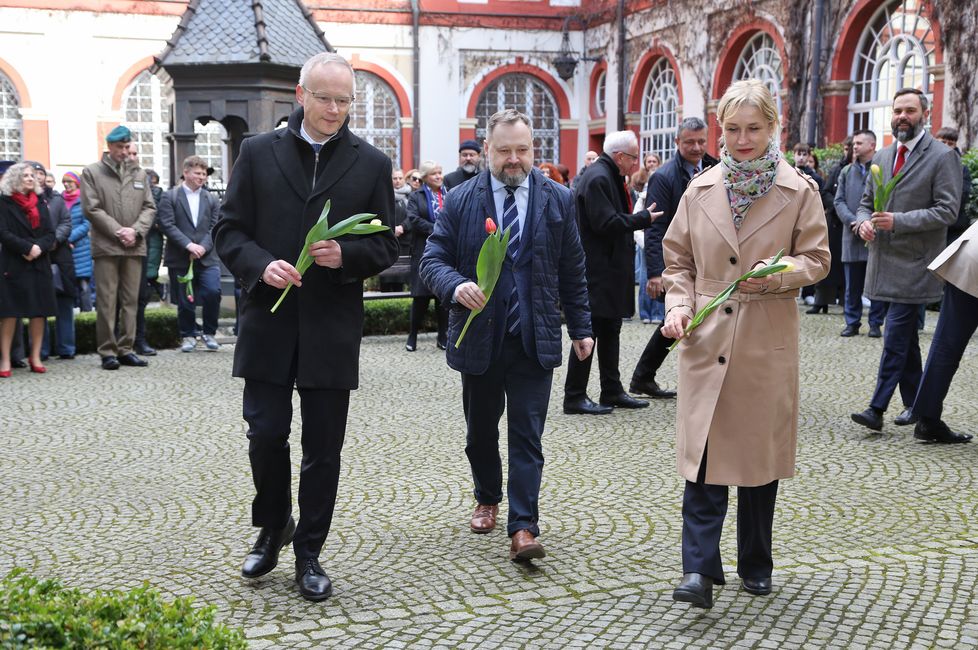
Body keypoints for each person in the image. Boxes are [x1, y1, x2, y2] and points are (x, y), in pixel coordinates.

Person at [213, 52, 398, 602]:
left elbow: (387, 243)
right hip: (268, 323)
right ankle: (273, 526)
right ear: (301, 95)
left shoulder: (371, 164)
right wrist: (258, 265)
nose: (335, 110)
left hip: (330, 327)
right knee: (265, 434)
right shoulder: (256, 152)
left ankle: (310, 550)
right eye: (325, 98)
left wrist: (348, 256)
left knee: (324, 447)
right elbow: (229, 229)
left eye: (344, 101)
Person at [663, 79, 830, 609]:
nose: (741, 139)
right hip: (707, 337)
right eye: (732, 129)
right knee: (705, 459)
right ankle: (699, 570)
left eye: (753, 128)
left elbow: (818, 259)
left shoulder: (799, 190)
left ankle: (756, 561)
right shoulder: (700, 189)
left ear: (773, 128)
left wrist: (780, 274)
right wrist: (678, 305)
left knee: (757, 463)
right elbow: (678, 263)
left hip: (763, 338)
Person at [419, 108, 593, 561]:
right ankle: (486, 495)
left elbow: (572, 268)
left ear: (534, 149)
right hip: (481, 337)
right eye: (504, 151)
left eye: (523, 150)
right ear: (487, 150)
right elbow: (431, 261)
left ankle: (523, 526)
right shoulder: (460, 200)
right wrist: (456, 286)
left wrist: (581, 327)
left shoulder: (558, 198)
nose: (514, 159)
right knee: (480, 433)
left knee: (527, 434)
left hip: (533, 335)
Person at [850, 88, 962, 433]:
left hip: (916, 265)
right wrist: (863, 223)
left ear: (924, 114)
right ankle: (921, 410)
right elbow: (865, 203)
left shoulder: (943, 157)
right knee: (906, 344)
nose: (902, 116)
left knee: (896, 334)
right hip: (882, 262)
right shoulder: (882, 156)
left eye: (909, 110)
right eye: (897, 110)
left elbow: (947, 211)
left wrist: (899, 220)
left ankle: (876, 407)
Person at [562, 131, 661, 415]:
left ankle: (612, 390)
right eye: (632, 158)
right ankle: (575, 395)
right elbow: (604, 222)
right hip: (598, 270)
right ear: (620, 156)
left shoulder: (606, 175)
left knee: (610, 329)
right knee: (589, 330)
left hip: (608, 269)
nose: (635, 164)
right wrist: (643, 219)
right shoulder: (599, 178)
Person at [629, 117, 719, 399]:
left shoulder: (716, 167)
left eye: (702, 141)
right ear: (677, 142)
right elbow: (655, 228)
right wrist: (656, 272)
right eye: (690, 142)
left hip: (709, 257)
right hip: (679, 260)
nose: (697, 147)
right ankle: (644, 377)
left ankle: (643, 377)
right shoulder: (664, 177)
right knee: (681, 318)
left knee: (687, 319)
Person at [80, 125, 157, 370]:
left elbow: (149, 207)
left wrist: (134, 231)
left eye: (128, 147)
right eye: (120, 147)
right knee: (106, 300)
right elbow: (91, 209)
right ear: (110, 147)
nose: (125, 152)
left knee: (130, 300)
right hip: (106, 246)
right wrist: (118, 231)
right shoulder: (92, 172)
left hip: (134, 245)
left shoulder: (139, 174)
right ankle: (107, 351)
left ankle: (126, 348)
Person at [909, 218, 977, 444]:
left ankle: (927, 421)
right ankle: (928, 421)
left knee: (946, 345)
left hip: (969, 256)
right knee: (946, 347)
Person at [158, 155, 222, 353]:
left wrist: (202, 247)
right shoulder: (170, 197)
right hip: (180, 256)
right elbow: (166, 224)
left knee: (213, 291)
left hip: (208, 256)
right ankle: (188, 334)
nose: (202, 177)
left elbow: (216, 226)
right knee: (185, 300)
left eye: (203, 173)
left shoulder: (211, 199)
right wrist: (188, 245)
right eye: (197, 173)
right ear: (186, 173)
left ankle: (209, 332)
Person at [0, 162, 58, 376]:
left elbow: (50, 233)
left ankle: (35, 357)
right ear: (14, 178)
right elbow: (3, 232)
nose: (31, 178)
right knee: (9, 313)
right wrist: (26, 247)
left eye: (32, 175)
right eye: (25, 175)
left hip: (38, 262)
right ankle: (5, 359)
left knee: (38, 312)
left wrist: (38, 248)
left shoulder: (41, 201)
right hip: (14, 262)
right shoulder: (4, 202)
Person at [835, 130, 885, 338]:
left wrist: (873, 223)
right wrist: (853, 221)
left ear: (872, 145)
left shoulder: (881, 170)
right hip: (851, 234)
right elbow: (839, 201)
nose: (854, 146)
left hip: (875, 236)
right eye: (854, 143)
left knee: (876, 283)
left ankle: (875, 323)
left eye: (859, 143)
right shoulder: (846, 171)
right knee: (852, 285)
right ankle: (852, 322)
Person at [29, 162, 76, 360]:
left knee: (64, 303)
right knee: (38, 306)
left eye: (40, 173)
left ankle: (66, 348)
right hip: (35, 257)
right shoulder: (23, 200)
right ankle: (41, 350)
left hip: (59, 256)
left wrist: (54, 239)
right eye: (34, 174)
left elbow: (67, 222)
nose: (38, 177)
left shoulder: (56, 199)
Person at [403, 160, 449, 351]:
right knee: (420, 297)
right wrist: (437, 229)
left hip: (446, 251)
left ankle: (442, 337)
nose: (438, 176)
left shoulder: (449, 194)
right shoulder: (416, 196)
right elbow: (413, 219)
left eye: (440, 172)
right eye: (434, 174)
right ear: (425, 177)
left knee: (443, 297)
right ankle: (412, 336)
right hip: (423, 250)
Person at [934, 127, 972, 246]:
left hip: (954, 226)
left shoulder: (962, 168)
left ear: (955, 145)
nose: (946, 146)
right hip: (931, 223)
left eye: (950, 143)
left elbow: (963, 194)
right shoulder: (929, 163)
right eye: (943, 142)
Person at [629, 168, 656, 324]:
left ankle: (658, 312)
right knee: (645, 275)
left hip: (658, 242)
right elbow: (636, 221)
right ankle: (645, 313)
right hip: (645, 242)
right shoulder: (643, 198)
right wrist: (644, 242)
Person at [65, 172, 94, 313]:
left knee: (84, 284)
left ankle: (86, 315)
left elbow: (87, 223)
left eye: (69, 181)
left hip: (81, 247)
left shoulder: (84, 200)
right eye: (64, 181)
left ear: (77, 183)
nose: (66, 184)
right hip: (65, 248)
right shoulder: (61, 199)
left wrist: (69, 238)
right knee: (68, 284)